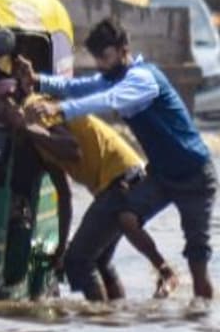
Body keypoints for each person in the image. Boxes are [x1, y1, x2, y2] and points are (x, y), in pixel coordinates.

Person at [21, 17, 215, 299]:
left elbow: (108, 100)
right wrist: (38, 80)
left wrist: (60, 111)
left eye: (106, 57)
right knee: (126, 216)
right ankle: (163, 270)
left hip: (195, 174)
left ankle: (202, 319)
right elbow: (82, 87)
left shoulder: (143, 79)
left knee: (198, 259)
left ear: (124, 49)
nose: (102, 65)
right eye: (98, 59)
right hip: (162, 175)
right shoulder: (115, 77)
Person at [0, 70, 178, 301]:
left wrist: (26, 128)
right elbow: (64, 196)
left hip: (119, 179)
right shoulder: (38, 142)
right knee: (99, 261)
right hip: (126, 175)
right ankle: (116, 322)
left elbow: (72, 149)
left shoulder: (33, 110)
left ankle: (97, 323)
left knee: (78, 261)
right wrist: (59, 248)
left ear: (9, 101)